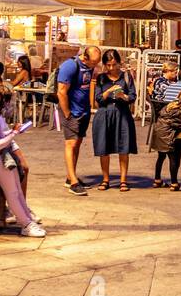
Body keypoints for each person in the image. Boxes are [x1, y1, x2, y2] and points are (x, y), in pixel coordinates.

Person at [0, 85, 44, 237]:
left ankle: (27, 218)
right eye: (6, 101)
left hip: (2, 155)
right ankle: (26, 224)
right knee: (12, 192)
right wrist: (14, 133)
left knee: (17, 190)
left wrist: (13, 131)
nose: (8, 105)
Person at [57, 45, 101, 196]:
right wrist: (67, 113)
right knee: (71, 143)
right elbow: (61, 92)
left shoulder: (89, 66)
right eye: (93, 63)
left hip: (83, 110)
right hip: (72, 111)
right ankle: (73, 183)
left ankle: (71, 177)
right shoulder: (70, 66)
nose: (94, 66)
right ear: (85, 57)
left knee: (78, 143)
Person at [92, 49, 138, 189]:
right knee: (103, 147)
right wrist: (108, 92)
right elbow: (97, 98)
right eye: (108, 65)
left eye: (114, 64)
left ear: (119, 62)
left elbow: (133, 96)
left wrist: (123, 97)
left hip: (122, 114)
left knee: (123, 147)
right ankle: (105, 179)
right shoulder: (101, 78)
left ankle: (123, 179)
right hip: (104, 114)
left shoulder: (126, 76)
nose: (111, 68)